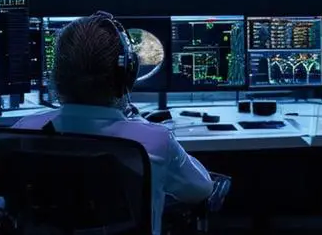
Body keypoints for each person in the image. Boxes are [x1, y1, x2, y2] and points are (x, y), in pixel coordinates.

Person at [14, 13, 217, 235]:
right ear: (127, 75)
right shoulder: (153, 140)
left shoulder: (25, 132)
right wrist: (137, 119)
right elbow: (201, 189)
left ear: (57, 75)